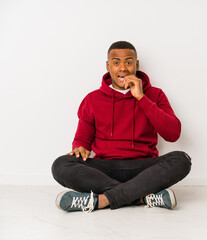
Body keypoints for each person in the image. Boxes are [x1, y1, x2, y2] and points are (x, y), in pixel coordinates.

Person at [51, 41, 191, 213]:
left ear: (136, 65)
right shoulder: (92, 100)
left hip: (143, 168)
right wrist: (79, 149)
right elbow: (82, 140)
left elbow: (173, 134)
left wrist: (141, 98)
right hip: (105, 170)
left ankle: (101, 200)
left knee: (182, 159)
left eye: (129, 62)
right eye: (116, 63)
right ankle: (141, 197)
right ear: (108, 66)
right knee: (61, 164)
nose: (123, 68)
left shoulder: (155, 95)